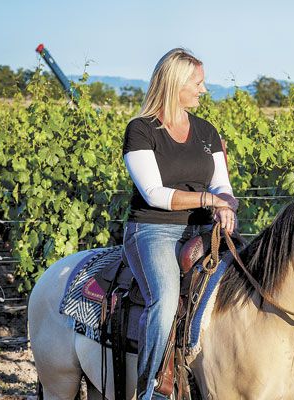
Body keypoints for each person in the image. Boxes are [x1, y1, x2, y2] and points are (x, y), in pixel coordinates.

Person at [122, 48, 238, 400]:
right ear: (175, 84)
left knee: (253, 278)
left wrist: (227, 206)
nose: (203, 90)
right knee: (167, 298)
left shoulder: (206, 131)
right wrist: (209, 200)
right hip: (154, 228)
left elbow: (222, 186)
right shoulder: (141, 131)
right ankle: (153, 388)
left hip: (205, 231)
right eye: (197, 83)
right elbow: (155, 194)